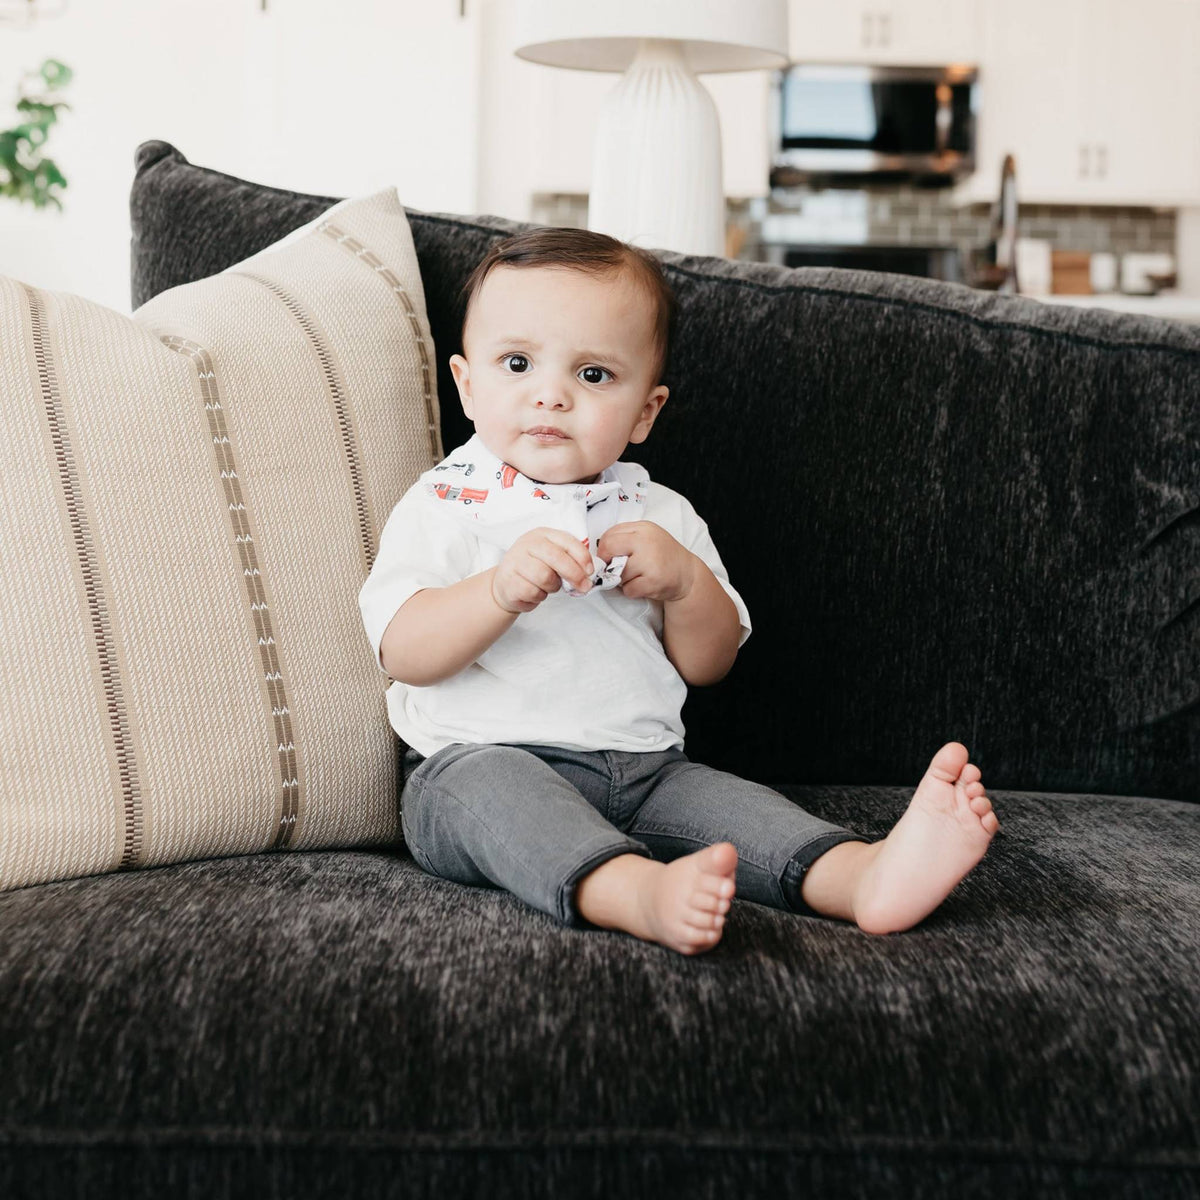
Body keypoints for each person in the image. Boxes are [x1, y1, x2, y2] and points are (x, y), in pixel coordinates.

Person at [358, 227, 1001, 956]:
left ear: (645, 412)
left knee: (733, 808)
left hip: (645, 770)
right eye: (517, 363)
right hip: (475, 761)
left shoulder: (660, 515)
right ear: (468, 385)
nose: (551, 395)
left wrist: (687, 585)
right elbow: (403, 650)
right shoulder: (447, 501)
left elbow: (709, 663)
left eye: (594, 376)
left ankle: (861, 875)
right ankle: (632, 891)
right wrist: (496, 593)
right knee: (504, 796)